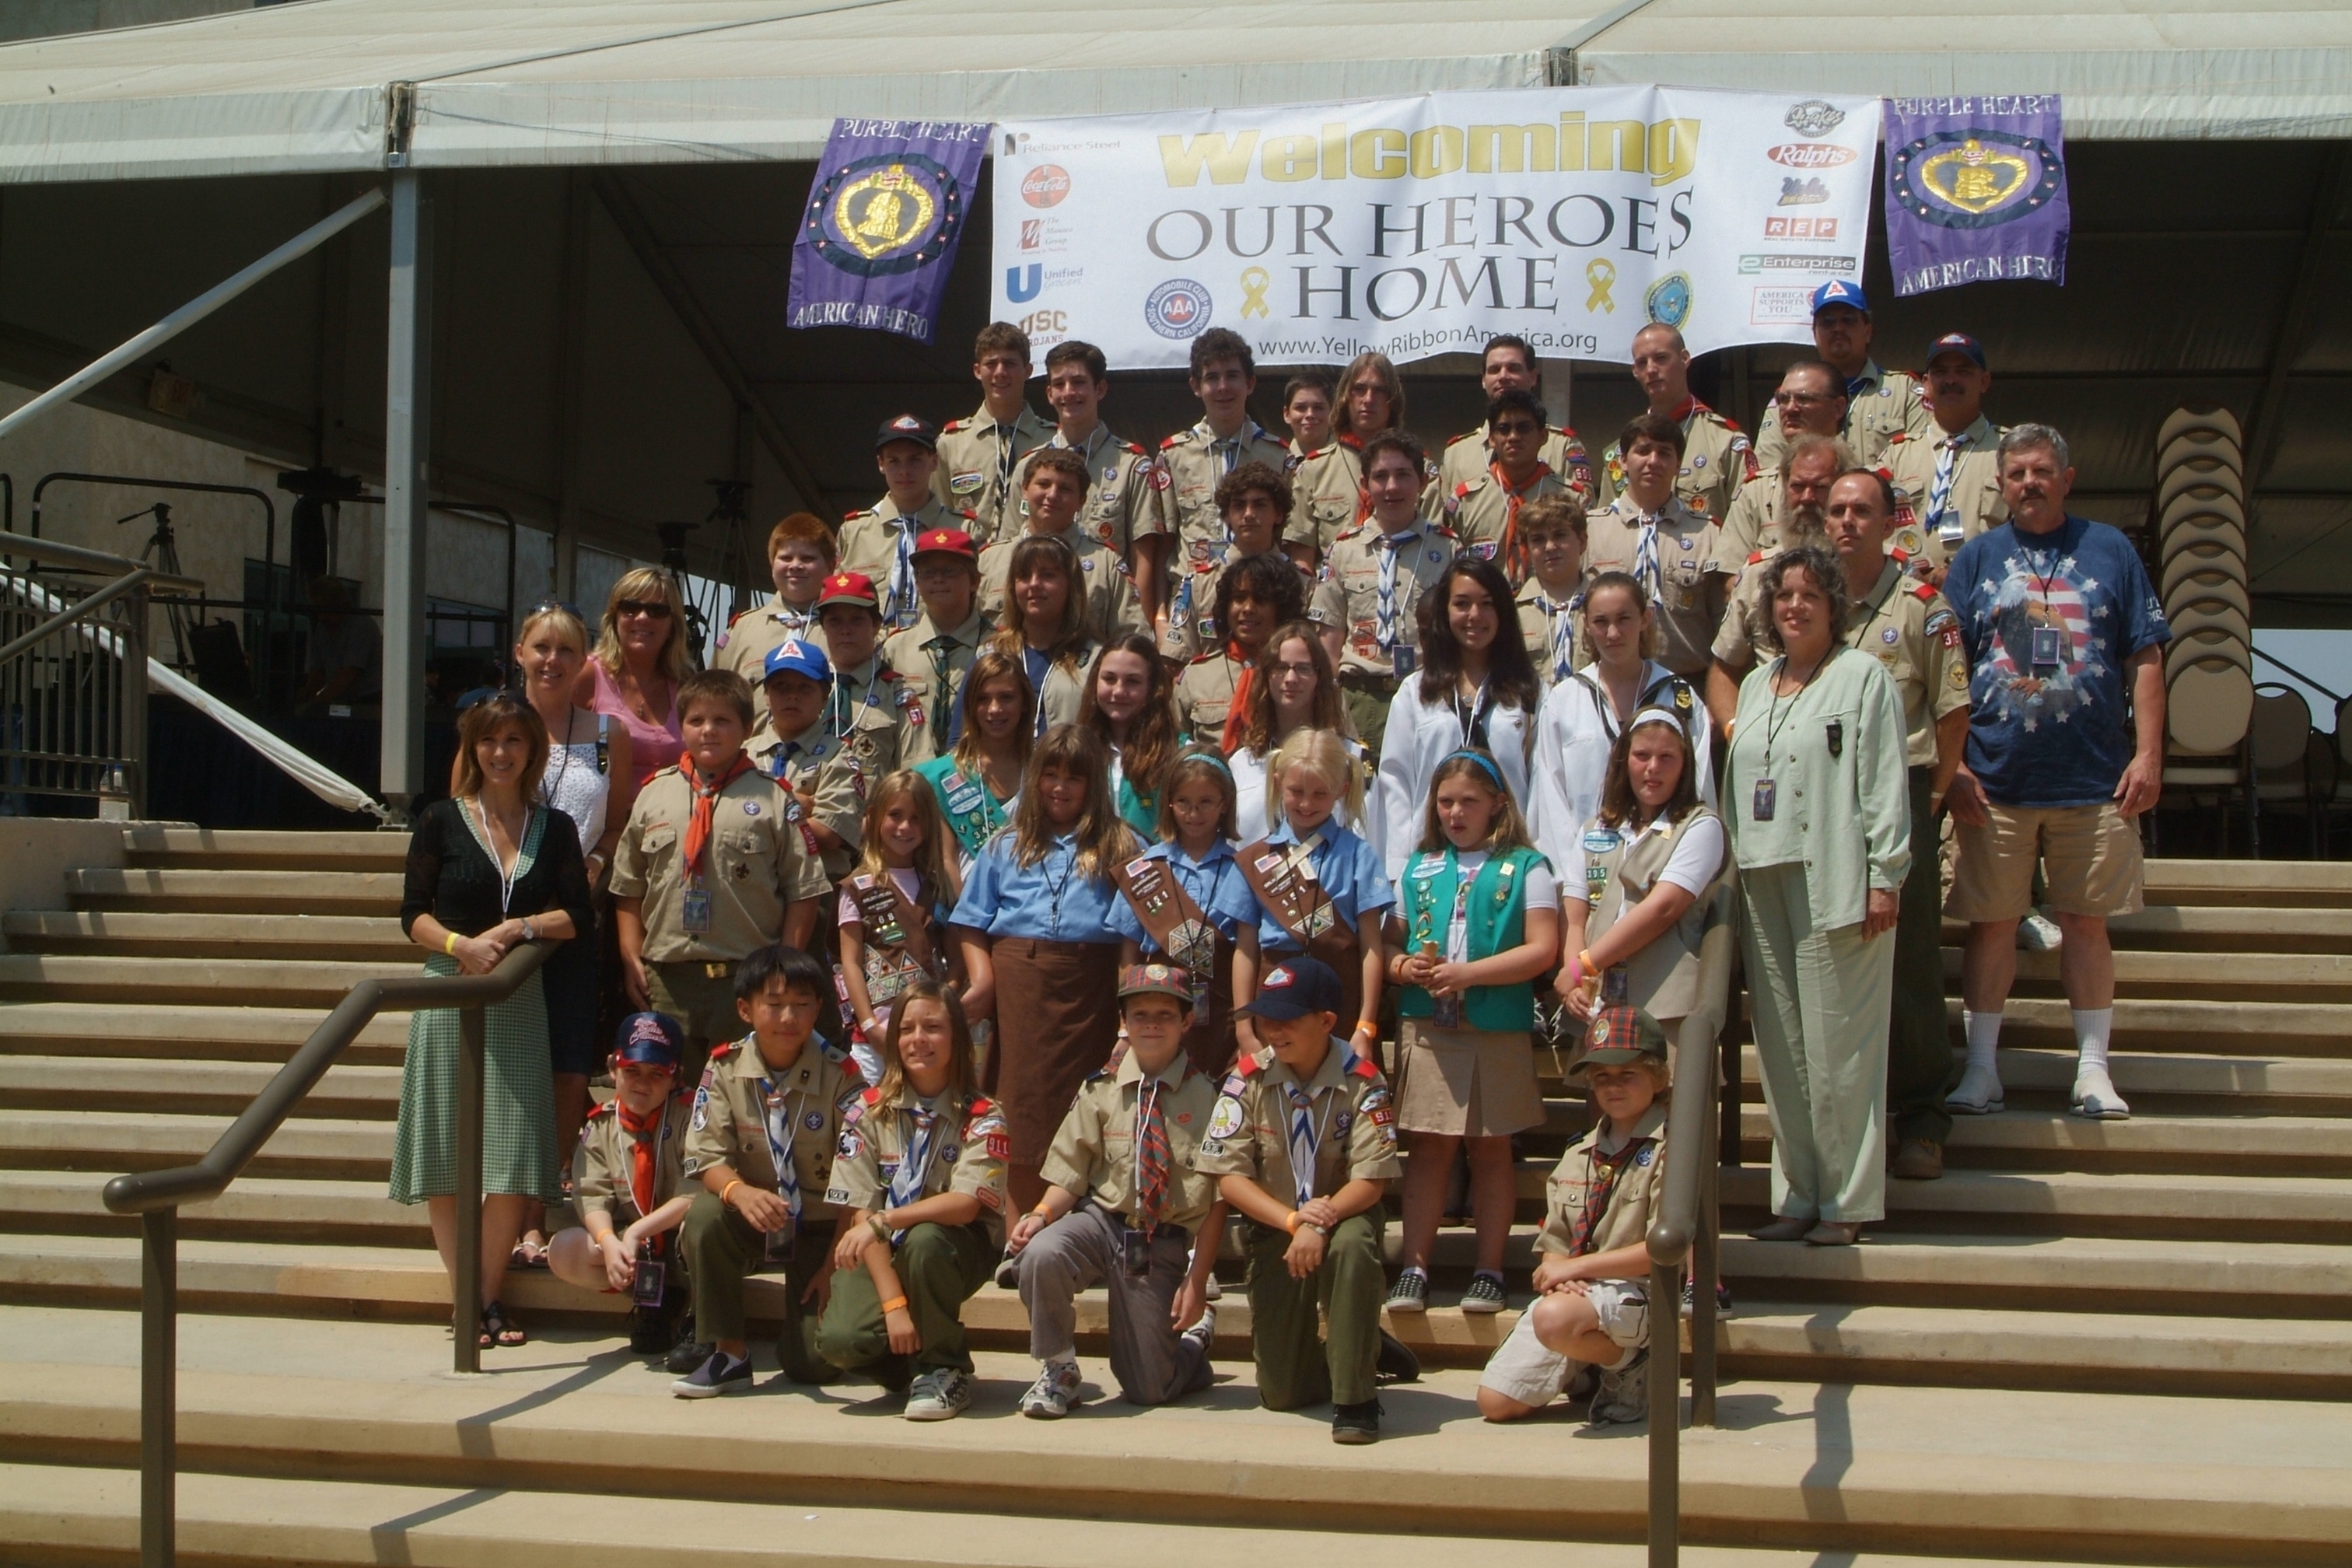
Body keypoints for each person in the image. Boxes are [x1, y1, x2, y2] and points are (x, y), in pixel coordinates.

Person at [1941, 425, 2170, 1122]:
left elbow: (2147, 655)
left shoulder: (2111, 549)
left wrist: (2150, 755)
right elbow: (1949, 669)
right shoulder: (1976, 557)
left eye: (2042, 471)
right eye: (2017, 474)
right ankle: (1982, 1069)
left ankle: (2093, 1070)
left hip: (2093, 778)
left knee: (2086, 924)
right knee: (1991, 925)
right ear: (2001, 484)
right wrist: (1953, 767)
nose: (2029, 484)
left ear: (2067, 479)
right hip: (1993, 779)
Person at [1723, 544, 1909, 1247]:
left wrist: (1885, 875)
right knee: (1784, 1051)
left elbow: (1884, 780)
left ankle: (1847, 1203)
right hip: (1762, 877)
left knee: (1841, 1053)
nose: (1795, 606)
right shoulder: (1755, 685)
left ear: (1834, 607)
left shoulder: (1862, 677)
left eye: (1810, 595)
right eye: (1783, 595)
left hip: (1836, 879)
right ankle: (1798, 1193)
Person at [394, 694, 592, 1350]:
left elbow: (577, 914)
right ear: (472, 748)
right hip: (448, 993)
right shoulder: (440, 820)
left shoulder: (554, 826)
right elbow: (413, 914)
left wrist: (517, 928)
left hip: (518, 1000)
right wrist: (461, 945)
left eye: (513, 741)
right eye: (488, 741)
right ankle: (474, 1304)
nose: (500, 753)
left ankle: (479, 1299)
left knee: (512, 1157)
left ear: (532, 751)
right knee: (446, 1156)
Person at [1819, 470, 1972, 1178]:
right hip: (1821, 798)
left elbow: (1952, 714)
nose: (1848, 522)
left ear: (1889, 525)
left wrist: (1930, 803)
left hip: (1900, 794)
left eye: (1862, 511)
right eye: (1837, 510)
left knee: (1908, 961)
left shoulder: (1922, 608)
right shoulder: (1808, 604)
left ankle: (1923, 1117)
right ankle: (1849, 1121)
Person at [1194, 956, 1405, 1444]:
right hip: (1277, 1224)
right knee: (1282, 1392)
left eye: (1287, 1019)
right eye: (1266, 1019)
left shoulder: (1364, 1080)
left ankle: (1357, 1401)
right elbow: (1229, 1178)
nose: (1273, 1030)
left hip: (1344, 1215)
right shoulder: (1247, 1078)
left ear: (1327, 1021)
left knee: (1351, 1248)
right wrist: (1295, 1222)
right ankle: (1358, 1345)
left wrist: (1319, 1221)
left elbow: (1372, 1181)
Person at [1005, 962, 1227, 1416]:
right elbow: (1070, 1171)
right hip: (1102, 1223)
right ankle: (1059, 1369)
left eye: (1165, 1015)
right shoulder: (1100, 1090)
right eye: (1140, 1015)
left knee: (1149, 1387)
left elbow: (1219, 1200)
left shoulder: (1209, 1099)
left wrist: (1198, 1280)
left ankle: (1192, 1344)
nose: (1152, 1025)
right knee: (1042, 1253)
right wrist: (1041, 1214)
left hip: (1159, 1239)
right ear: (1124, 1022)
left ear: (1186, 1022)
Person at [1383, 749, 1560, 1318]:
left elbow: (1543, 949)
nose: (1456, 813)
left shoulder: (1527, 865)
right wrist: (1401, 966)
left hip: (1495, 1021)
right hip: (1429, 1022)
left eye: (1469, 802)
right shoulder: (1420, 866)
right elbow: (1390, 943)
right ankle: (1414, 1267)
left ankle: (1489, 1269)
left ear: (1498, 804)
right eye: (1445, 802)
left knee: (1490, 1146)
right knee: (1428, 1144)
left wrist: (1470, 974)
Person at [948, 724, 1138, 1212]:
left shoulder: (1121, 845)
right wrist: (983, 980)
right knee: (1020, 1110)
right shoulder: (1005, 844)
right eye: (1050, 775)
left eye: (1074, 778)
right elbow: (970, 922)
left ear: (1093, 784)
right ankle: (1017, 1236)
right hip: (1020, 991)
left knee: (1089, 1109)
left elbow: (1132, 938)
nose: (1060, 787)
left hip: (1091, 990)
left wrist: (1126, 1012)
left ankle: (1076, 1233)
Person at [610, 669, 830, 1076]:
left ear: (747, 729)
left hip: (746, 977)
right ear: (681, 727)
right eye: (696, 720)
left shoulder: (773, 799)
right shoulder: (653, 795)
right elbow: (629, 883)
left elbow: (804, 889)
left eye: (722, 720)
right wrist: (629, 953)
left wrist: (784, 966)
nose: (708, 730)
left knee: (745, 1084)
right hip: (668, 978)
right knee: (671, 1086)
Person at [672, 946, 863, 1397]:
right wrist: (738, 1192)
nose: (788, 1017)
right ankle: (728, 1352)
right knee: (705, 1215)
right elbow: (705, 1158)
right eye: (774, 1004)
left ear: (818, 1008)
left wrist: (833, 1267)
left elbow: (860, 1180)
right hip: (759, 1218)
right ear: (745, 1009)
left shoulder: (842, 1075)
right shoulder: (724, 1067)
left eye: (801, 1004)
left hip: (822, 1229)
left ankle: (804, 1335)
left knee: (814, 1364)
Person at [817, 978, 1010, 1420]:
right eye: (906, 1029)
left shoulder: (984, 1115)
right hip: (882, 1250)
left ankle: (945, 1368)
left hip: (953, 1250)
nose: (918, 1039)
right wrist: (893, 1306)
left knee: (924, 1240)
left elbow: (965, 1204)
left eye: (933, 1028)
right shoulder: (867, 1111)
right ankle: (908, 1366)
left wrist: (886, 1221)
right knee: (840, 1343)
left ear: (957, 1038)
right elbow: (862, 1210)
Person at [1476, 1004, 1671, 1427]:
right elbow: (1556, 1239)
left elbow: (1661, 1250)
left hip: (1639, 1290)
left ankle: (1629, 1364)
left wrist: (1577, 1269)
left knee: (1553, 1318)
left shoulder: (1671, 1149)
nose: (1613, 1086)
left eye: (1628, 1074)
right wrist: (1558, 1270)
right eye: (1601, 1077)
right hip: (1579, 1293)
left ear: (1658, 1078)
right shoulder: (1579, 1152)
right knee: (1495, 1403)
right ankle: (1585, 1368)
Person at [512, 602, 631, 1269]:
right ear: (519, 654)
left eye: (566, 650)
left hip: (576, 922)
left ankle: (539, 1207)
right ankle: (507, 1202)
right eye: (541, 647)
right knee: (515, 1068)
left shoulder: (608, 734)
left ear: (585, 660)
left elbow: (617, 823)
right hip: (509, 921)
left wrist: (595, 864)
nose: (552, 660)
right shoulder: (495, 725)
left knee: (567, 1070)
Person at [1553, 710, 1727, 1058]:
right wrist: (1574, 984)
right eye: (1642, 755)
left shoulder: (1700, 826)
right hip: (1597, 1010)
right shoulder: (1594, 830)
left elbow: (1663, 908)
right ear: (1624, 760)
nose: (1653, 768)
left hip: (1664, 1010)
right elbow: (1574, 918)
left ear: (1684, 765)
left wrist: (1580, 967)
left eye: (1667, 757)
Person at [1530, 573, 1713, 880]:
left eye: (1624, 619)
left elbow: (1700, 786)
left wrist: (1685, 870)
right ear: (1586, 625)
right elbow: (1550, 799)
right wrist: (1568, 880)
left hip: (1664, 870)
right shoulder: (1564, 700)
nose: (1613, 633)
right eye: (1601, 622)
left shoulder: (1678, 697)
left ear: (1645, 618)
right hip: (1585, 873)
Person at [1374, 555, 1544, 881]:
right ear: (1445, 612)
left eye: (1487, 604)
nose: (1474, 615)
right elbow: (1396, 784)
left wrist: (1536, 861)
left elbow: (1541, 783)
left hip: (1509, 862)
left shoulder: (1530, 692)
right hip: (1432, 863)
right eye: (1462, 604)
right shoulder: (1415, 692)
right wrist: (1399, 868)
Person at [547, 1011, 694, 1355]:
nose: (642, 1083)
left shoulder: (689, 1115)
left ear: (676, 1077)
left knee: (702, 1227)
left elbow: (695, 1192)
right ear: (613, 1068)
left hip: (684, 1242)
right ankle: (654, 1302)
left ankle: (698, 1316)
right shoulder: (601, 1125)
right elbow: (591, 1194)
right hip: (639, 1249)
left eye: (657, 1074)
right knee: (564, 1250)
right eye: (632, 1071)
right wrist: (608, 1241)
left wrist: (638, 1231)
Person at [1109, 747, 1262, 1077]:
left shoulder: (1241, 867)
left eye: (1206, 802)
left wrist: (1245, 1024)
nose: (1194, 813)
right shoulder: (1145, 870)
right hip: (1159, 1013)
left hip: (1223, 1016)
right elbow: (1128, 953)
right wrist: (1125, 1027)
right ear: (1168, 803)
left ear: (1225, 804)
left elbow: (1247, 948)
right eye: (1183, 802)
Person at [1235, 727, 1391, 1050]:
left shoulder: (1359, 855)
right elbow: (1246, 948)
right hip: (1273, 1000)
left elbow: (1371, 947)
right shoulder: (1254, 859)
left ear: (1341, 790)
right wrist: (1244, 1029)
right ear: (1278, 783)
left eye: (1320, 794)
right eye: (1296, 791)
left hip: (1339, 1003)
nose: (1307, 804)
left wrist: (1365, 1025)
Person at [1311, 430, 1458, 758]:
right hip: (1361, 698)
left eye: (1403, 475)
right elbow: (1329, 644)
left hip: (1429, 695)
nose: (1392, 487)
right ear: (1365, 484)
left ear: (1422, 481)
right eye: (1380, 477)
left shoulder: (1448, 550)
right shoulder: (1344, 551)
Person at [1706, 434, 1858, 731]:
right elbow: (1724, 669)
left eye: (1820, 488)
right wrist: (1736, 731)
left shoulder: (1864, 569)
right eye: (1797, 487)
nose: (1807, 498)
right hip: (1773, 739)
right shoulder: (1758, 574)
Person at [1152, 327, 1290, 612]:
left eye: (1232, 376)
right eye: (1212, 378)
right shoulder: (1174, 456)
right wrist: (1161, 614)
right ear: (1196, 386)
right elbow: (1163, 543)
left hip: (1261, 601)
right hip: (1192, 601)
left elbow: (1288, 539)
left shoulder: (1278, 456)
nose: (1223, 387)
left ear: (1250, 383)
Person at [1581, 414, 1727, 683]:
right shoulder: (1590, 531)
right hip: (1607, 680)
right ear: (1623, 461)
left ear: (1678, 464)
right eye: (1643, 451)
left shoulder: (1708, 533)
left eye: (1664, 453)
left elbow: (1723, 623)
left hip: (1686, 682)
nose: (1653, 461)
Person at [838, 770, 963, 1084]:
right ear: (874, 817)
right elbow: (850, 963)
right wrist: (870, 1026)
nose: (905, 827)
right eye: (895, 815)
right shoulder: (857, 887)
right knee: (871, 1109)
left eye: (917, 819)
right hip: (876, 1038)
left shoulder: (938, 886)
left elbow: (957, 960)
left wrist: (943, 1006)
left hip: (929, 1040)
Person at [747, 637, 891, 882]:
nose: (792, 696)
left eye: (805, 688)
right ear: (767, 696)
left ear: (825, 698)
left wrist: (753, 810)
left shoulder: (838, 756)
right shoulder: (745, 754)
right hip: (752, 885)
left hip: (815, 884)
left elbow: (828, 834)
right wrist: (793, 805)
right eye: (781, 687)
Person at [1041, 339, 1166, 620]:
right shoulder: (1030, 467)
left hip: (1105, 617)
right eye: (1059, 384)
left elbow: (1143, 560)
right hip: (1042, 617)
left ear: (1100, 389)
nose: (1068, 392)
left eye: (1078, 382)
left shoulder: (1132, 466)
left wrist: (1137, 629)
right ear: (1049, 394)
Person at [1750, 280, 1931, 471]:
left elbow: (1923, 463)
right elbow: (1769, 471)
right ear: (1815, 334)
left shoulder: (1905, 392)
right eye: (1828, 322)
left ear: (1868, 331)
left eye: (1848, 320)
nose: (1838, 328)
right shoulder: (1787, 400)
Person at [978, 447, 1146, 643]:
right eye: (1043, 484)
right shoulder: (989, 561)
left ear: (1081, 501)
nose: (1052, 495)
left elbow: (1133, 640)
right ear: (1024, 489)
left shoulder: (1106, 565)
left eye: (1065, 489)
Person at [1594, 323, 1756, 521]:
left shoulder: (1724, 442)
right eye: (1642, 363)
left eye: (1661, 358)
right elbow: (1607, 526)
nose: (1651, 369)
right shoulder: (1624, 451)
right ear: (1635, 371)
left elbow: (1749, 520)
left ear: (1685, 359)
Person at [1228, 622, 1367, 845]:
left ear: (1320, 677)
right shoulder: (1242, 764)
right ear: (1266, 676)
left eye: (1303, 669)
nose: (1291, 678)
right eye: (1281, 668)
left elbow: (1371, 843)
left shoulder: (1351, 760)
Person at [1885, 333, 2007, 582]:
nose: (1951, 380)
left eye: (1963, 371)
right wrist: (1925, 573)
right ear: (1927, 384)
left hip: (1987, 587)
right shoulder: (1896, 455)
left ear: (1984, 381)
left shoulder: (2010, 451)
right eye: (1941, 372)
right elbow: (1878, 527)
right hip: (1914, 591)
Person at [844, 415, 971, 635]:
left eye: (915, 459)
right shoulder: (855, 532)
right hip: (872, 649)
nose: (904, 470)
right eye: (894, 461)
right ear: (881, 464)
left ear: (934, 461)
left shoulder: (963, 529)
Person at [1161, 459, 1297, 665]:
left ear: (1278, 514)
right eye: (1239, 506)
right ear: (1226, 516)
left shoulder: (1302, 583)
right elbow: (1177, 663)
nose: (1249, 514)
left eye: (1259, 505)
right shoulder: (1199, 585)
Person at [1426, 389, 1573, 572]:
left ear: (1542, 437)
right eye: (1504, 429)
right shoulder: (1465, 501)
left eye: (1523, 428)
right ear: (1491, 439)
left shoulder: (1570, 498)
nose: (1513, 437)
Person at [881, 527, 992, 767]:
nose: (938, 579)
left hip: (977, 775)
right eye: (928, 572)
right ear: (917, 581)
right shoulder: (895, 648)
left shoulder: (997, 645)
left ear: (974, 581)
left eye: (950, 571)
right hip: (912, 778)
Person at [934, 321, 1054, 545]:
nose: (1000, 372)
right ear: (977, 371)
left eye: (1010, 363)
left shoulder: (1052, 442)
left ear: (1028, 371)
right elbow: (938, 514)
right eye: (991, 363)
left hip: (1034, 558)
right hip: (971, 560)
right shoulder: (950, 444)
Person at [912, 646, 1033, 862]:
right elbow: (946, 860)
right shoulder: (940, 776)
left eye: (1006, 697)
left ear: (1024, 702)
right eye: (982, 699)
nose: (994, 709)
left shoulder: (1041, 771)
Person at [1718, 376, 1852, 567]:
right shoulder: (1754, 491)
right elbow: (1730, 573)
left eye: (1804, 399)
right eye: (1783, 399)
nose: (1790, 408)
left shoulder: (1869, 488)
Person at [1437, 334, 1592, 495]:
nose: (1503, 376)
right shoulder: (1456, 454)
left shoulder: (1561, 447)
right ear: (1483, 380)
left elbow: (1583, 507)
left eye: (1513, 368)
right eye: (1494, 370)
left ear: (1533, 377)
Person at [580, 567, 691, 793]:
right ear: (615, 618)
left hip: (670, 813)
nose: (642, 617)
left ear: (673, 625)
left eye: (657, 610)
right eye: (630, 608)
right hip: (604, 815)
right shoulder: (588, 674)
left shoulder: (687, 685)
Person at [1174, 551, 1302, 746]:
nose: (1248, 608)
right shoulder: (1196, 678)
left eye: (1260, 599)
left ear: (1282, 607)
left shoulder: (1304, 676)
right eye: (1239, 598)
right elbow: (1175, 746)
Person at [990, 534, 1101, 737]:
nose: (1034, 584)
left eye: (1048, 575)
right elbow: (960, 735)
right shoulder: (991, 654)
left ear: (1071, 586)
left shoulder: (1097, 660)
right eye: (1024, 576)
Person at [813, 570, 919, 764]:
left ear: (876, 625)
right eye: (835, 621)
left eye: (857, 620)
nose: (846, 630)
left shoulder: (897, 693)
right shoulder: (807, 689)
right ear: (823, 627)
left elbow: (915, 767)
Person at [718, 513, 837, 681]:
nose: (795, 565)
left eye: (807, 558)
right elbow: (715, 693)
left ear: (831, 566)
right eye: (786, 558)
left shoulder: (846, 630)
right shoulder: (741, 631)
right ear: (772, 563)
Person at [1083, 632, 1180, 836]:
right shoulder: (1078, 748)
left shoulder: (1180, 755)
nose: (1119, 691)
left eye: (1133, 681)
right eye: (1109, 679)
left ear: (1153, 688)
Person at [1281, 369, 1354, 567]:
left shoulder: (1350, 463)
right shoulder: (1273, 462)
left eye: (1319, 408)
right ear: (1287, 414)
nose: (1310, 415)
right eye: (1301, 408)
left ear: (1332, 412)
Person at [1514, 495, 1587, 687]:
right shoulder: (1512, 613)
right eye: (1538, 540)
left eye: (1560, 535)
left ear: (1582, 541)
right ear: (1527, 550)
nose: (1550, 547)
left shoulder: (1603, 606)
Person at [292, 576, 381, 716]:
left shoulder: (361, 626)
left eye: (327, 611)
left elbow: (348, 674)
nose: (323, 618)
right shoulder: (322, 630)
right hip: (341, 702)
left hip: (368, 703)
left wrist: (315, 704)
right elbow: (318, 672)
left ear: (342, 606)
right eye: (319, 611)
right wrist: (307, 694)